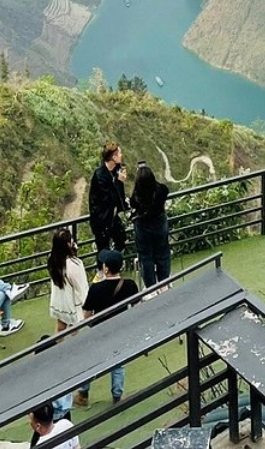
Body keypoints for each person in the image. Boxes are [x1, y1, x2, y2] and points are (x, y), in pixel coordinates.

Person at [77, 249, 139, 407]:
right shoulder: (130, 285)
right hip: (120, 329)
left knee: (91, 362)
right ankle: (117, 397)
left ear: (105, 269)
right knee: (118, 363)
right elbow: (137, 307)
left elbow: (87, 315)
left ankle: (83, 394)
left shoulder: (96, 288)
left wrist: (92, 325)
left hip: (99, 331)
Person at [130, 161, 171, 289]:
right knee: (163, 254)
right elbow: (164, 189)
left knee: (146, 258)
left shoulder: (136, 197)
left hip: (143, 228)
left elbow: (132, 203)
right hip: (159, 225)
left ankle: (151, 289)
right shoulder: (161, 191)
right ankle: (164, 283)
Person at [89, 142, 129, 255]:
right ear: (113, 157)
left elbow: (119, 196)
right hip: (101, 219)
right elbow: (110, 198)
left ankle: (113, 266)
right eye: (119, 153)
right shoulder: (100, 175)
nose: (121, 155)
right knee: (103, 251)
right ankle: (105, 270)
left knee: (121, 240)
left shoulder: (116, 170)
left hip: (112, 216)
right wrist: (119, 182)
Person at [48, 229, 89, 332]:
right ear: (67, 244)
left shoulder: (52, 259)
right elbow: (80, 285)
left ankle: (58, 344)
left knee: (61, 326)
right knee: (74, 327)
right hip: (72, 301)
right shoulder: (73, 264)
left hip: (60, 298)